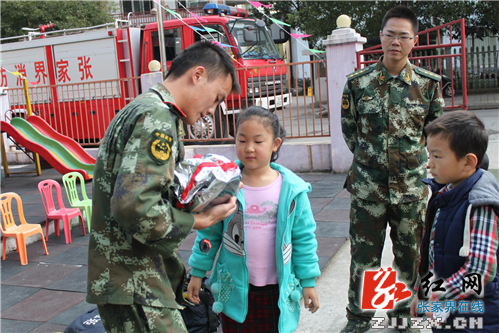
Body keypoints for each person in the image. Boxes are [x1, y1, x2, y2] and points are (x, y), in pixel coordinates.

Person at [86, 41, 241, 333]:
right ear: (197, 75)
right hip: (135, 278)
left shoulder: (141, 107)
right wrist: (198, 220)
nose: (213, 110)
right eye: (218, 98)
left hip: (127, 277)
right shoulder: (158, 117)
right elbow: (134, 205)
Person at [340, 6, 445, 333]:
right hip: (367, 191)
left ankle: (403, 317)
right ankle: (359, 320)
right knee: (364, 261)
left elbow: (435, 133)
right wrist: (373, 162)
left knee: (409, 261)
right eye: (390, 34)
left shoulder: (428, 86)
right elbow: (349, 131)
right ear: (381, 38)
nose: (395, 41)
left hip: (411, 192)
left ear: (413, 41)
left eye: (403, 36)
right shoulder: (359, 84)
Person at [187, 106, 321, 332]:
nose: (249, 148)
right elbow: (209, 234)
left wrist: (308, 283)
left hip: (277, 291)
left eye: (258, 142)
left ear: (275, 144)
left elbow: (304, 239)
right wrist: (198, 272)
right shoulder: (226, 187)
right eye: (241, 141)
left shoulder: (292, 190)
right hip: (235, 290)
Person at [410, 111, 499, 332]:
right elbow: (433, 256)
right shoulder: (445, 193)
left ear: (468, 162)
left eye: (437, 157)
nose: (428, 164)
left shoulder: (479, 204)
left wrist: (439, 295)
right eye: (428, 155)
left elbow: (480, 270)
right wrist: (422, 291)